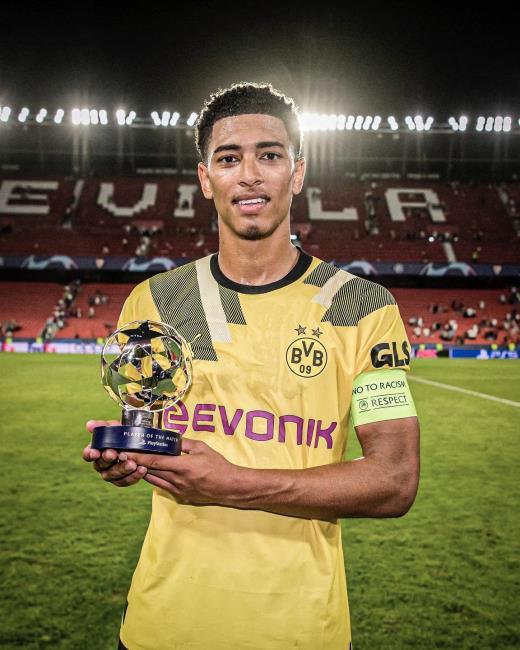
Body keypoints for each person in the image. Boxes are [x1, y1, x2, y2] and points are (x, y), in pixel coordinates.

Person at [82, 82, 420, 650]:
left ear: (297, 172)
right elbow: (150, 435)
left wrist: (235, 484)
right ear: (204, 178)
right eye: (228, 158)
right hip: (163, 625)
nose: (250, 175)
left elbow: (395, 481)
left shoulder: (362, 305)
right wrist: (127, 458)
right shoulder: (155, 301)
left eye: (269, 155)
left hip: (302, 631)